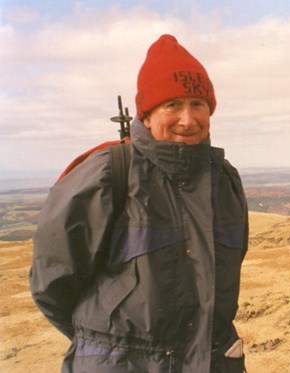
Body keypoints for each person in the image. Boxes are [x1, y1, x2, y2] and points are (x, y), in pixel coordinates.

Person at [30, 34, 248, 373]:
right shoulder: (106, 175)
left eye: (198, 104)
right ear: (146, 115)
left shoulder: (225, 180)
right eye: (172, 105)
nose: (187, 119)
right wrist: (106, 346)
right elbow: (52, 286)